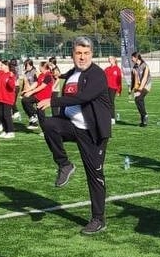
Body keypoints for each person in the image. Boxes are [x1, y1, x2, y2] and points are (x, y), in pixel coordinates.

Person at [38, 37, 114, 235]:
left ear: (92, 54)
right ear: (72, 55)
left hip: (93, 132)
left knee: (94, 175)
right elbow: (67, 86)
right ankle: (64, 164)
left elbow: (84, 97)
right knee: (49, 124)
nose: (82, 57)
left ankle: (98, 219)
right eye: (78, 53)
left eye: (86, 53)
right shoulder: (72, 73)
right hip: (73, 126)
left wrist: (53, 101)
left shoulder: (97, 74)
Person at [130, 51, 152, 126]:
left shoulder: (145, 66)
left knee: (138, 99)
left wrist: (140, 89)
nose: (131, 59)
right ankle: (143, 121)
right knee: (138, 100)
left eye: (132, 57)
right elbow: (134, 79)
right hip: (139, 85)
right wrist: (131, 88)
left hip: (146, 85)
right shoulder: (135, 67)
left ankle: (145, 115)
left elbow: (145, 78)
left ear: (137, 57)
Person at [104, 56, 123, 124]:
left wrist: (119, 90)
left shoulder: (117, 69)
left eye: (111, 59)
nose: (109, 60)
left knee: (111, 102)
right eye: (108, 59)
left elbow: (119, 80)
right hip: (106, 88)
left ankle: (112, 118)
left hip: (113, 88)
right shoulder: (107, 69)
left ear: (114, 60)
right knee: (106, 102)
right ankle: (107, 117)